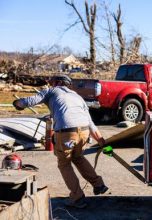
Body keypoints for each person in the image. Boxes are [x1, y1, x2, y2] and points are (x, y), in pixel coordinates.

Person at [13, 75, 108, 209]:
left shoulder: (51, 91)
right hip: (84, 131)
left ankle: (77, 197)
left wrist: (17, 104)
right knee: (78, 157)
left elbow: (29, 101)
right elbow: (91, 123)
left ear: (58, 83)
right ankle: (99, 185)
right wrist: (102, 141)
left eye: (53, 82)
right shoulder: (77, 96)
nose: (51, 84)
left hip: (67, 133)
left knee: (64, 163)